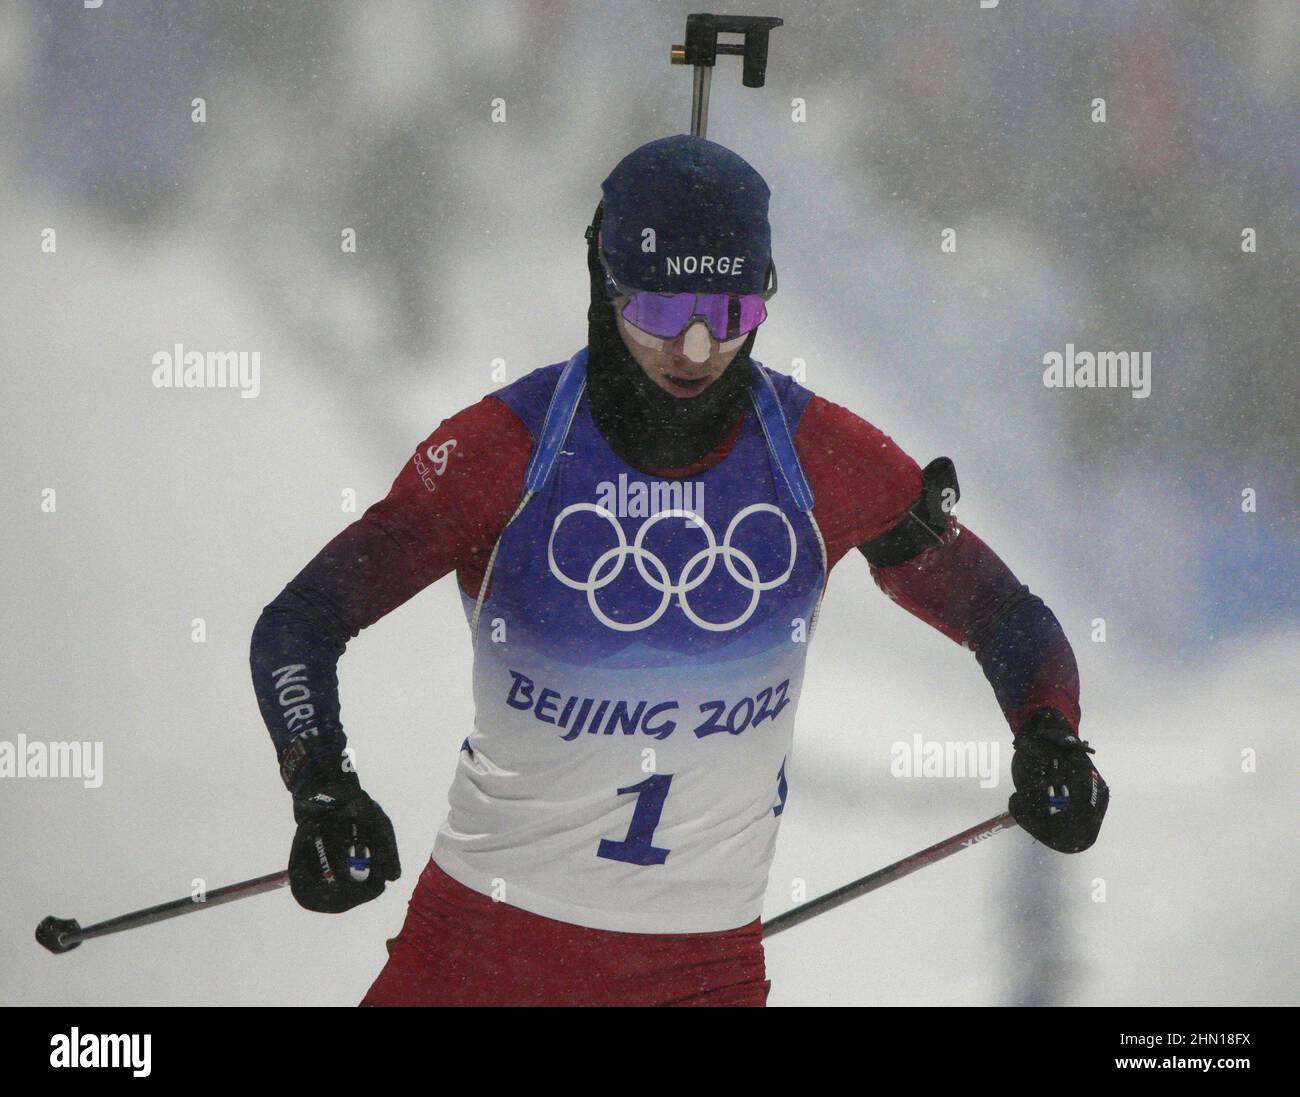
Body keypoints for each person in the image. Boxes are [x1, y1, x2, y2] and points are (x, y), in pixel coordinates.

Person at [250, 135, 1108, 1007]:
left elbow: (1003, 614)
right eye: (662, 312)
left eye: (730, 313)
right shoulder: (503, 453)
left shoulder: (822, 458)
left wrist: (1050, 734)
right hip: (480, 952)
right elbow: (302, 620)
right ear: (605, 283)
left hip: (697, 975)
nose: (696, 349)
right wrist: (321, 783)